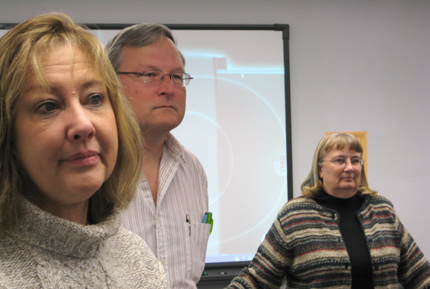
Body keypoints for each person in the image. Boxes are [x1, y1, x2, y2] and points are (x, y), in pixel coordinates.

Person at [0, 13, 168, 288]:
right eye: (48, 106)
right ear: (7, 135)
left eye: (94, 99)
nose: (83, 124)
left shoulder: (138, 261)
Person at [227, 132, 430, 289]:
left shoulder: (382, 210)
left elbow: (419, 273)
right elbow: (257, 279)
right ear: (320, 170)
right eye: (340, 160)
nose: (349, 167)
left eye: (356, 160)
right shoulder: (295, 215)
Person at [106, 24, 210, 288]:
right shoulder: (92, 167)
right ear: (111, 82)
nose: (168, 88)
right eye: (150, 75)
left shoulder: (193, 170)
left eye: (176, 77)